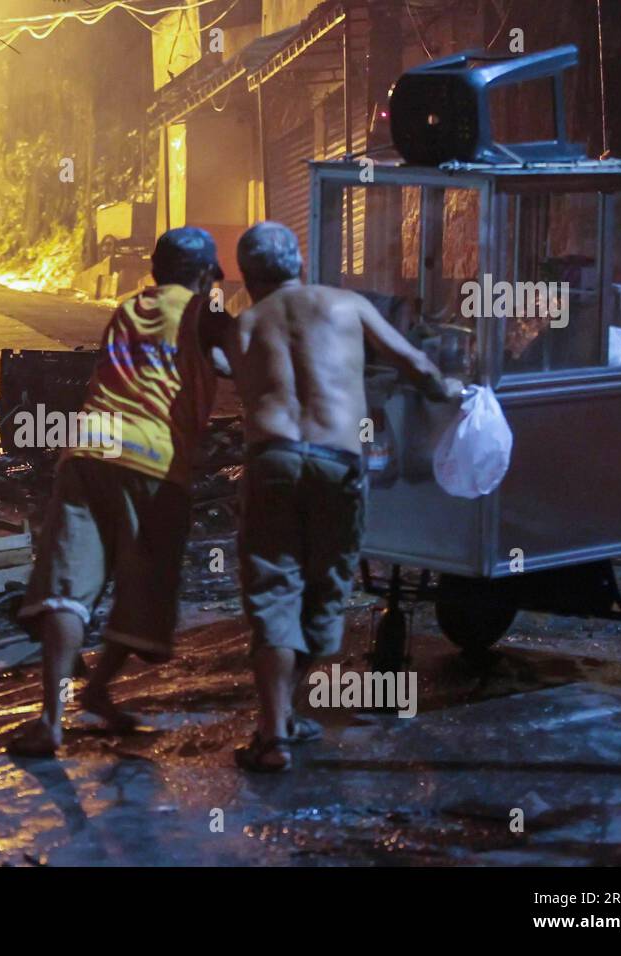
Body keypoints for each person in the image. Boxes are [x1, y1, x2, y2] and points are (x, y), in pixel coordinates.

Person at [207, 222, 460, 772]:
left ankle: (274, 733)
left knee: (275, 590)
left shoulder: (244, 325)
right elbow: (415, 365)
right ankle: (279, 720)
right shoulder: (346, 306)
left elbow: (232, 373)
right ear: (301, 264)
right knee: (325, 592)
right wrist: (451, 389)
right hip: (338, 463)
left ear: (247, 279)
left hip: (271, 460)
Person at [7, 227, 224, 757]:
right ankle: (100, 685)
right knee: (146, 586)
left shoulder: (127, 309)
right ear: (201, 276)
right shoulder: (204, 314)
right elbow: (242, 362)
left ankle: (52, 720)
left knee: (68, 585)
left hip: (87, 454)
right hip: (154, 465)